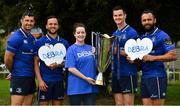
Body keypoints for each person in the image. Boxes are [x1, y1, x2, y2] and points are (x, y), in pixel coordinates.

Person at [140, 9, 177, 105]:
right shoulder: (142, 38)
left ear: (154, 20)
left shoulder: (164, 36)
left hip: (157, 76)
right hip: (145, 77)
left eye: (149, 19)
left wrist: (153, 58)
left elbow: (173, 55)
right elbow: (141, 58)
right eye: (144, 20)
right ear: (141, 22)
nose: (146, 22)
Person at [34, 16, 69, 105]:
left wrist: (58, 65)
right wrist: (40, 80)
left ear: (58, 26)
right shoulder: (39, 42)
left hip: (59, 80)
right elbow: (35, 62)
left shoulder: (64, 42)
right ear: (46, 26)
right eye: (50, 24)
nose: (52, 26)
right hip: (45, 81)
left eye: (55, 24)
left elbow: (67, 62)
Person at [4, 11, 36, 105]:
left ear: (34, 23)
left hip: (30, 77)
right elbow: (7, 59)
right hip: (19, 77)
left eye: (31, 21)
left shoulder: (32, 38)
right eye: (26, 20)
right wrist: (13, 71)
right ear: (21, 21)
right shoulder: (16, 37)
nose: (29, 23)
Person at [65, 23, 98, 105]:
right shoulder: (71, 49)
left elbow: (98, 66)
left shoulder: (91, 48)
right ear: (74, 34)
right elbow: (71, 68)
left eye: (82, 32)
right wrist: (86, 79)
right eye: (78, 33)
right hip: (76, 87)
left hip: (91, 86)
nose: (81, 34)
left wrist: (97, 55)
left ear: (86, 34)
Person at [111, 5, 139, 105]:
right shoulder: (114, 34)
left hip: (128, 72)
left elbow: (137, 54)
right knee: (119, 104)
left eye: (120, 15)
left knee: (128, 104)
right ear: (113, 17)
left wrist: (117, 50)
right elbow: (111, 52)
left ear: (125, 16)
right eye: (115, 15)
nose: (117, 17)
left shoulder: (132, 32)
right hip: (116, 73)